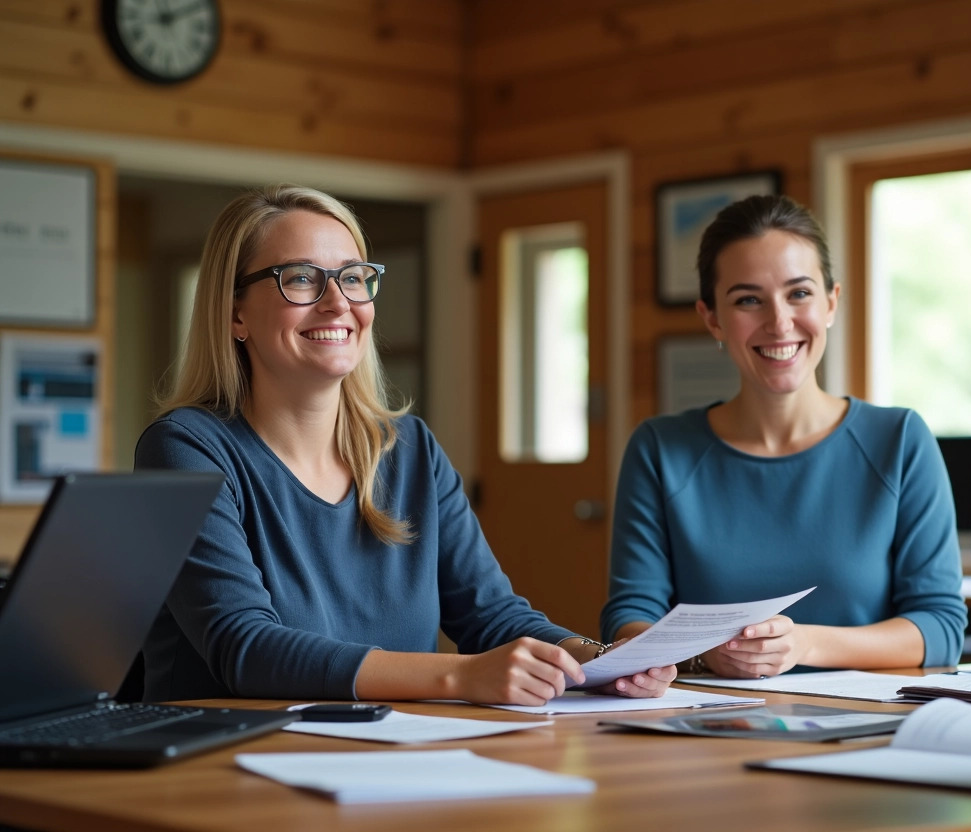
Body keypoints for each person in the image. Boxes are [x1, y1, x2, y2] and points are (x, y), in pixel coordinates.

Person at [135, 184, 675, 706]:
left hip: (391, 764)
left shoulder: (410, 450)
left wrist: (601, 662)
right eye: (300, 279)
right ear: (235, 313)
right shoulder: (183, 448)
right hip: (226, 777)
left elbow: (491, 617)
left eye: (352, 278)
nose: (336, 302)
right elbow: (245, 649)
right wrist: (462, 676)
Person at [601, 194, 967, 677]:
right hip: (701, 730)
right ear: (712, 318)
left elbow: (941, 628)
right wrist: (703, 653)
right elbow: (628, 620)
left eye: (799, 293)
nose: (779, 322)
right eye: (748, 299)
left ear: (832, 302)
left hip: (864, 735)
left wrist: (804, 644)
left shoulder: (899, 440)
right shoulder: (659, 449)